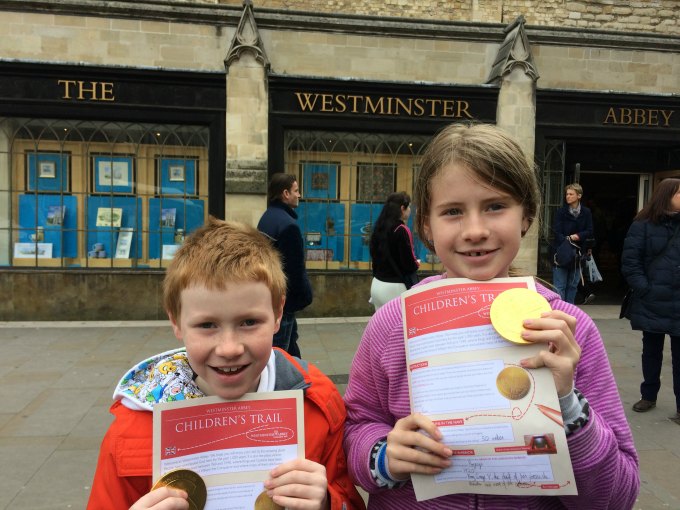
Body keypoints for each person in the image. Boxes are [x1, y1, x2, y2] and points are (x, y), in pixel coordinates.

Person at [342, 123, 639, 509]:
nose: (475, 230)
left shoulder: (569, 330)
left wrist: (567, 402)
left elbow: (615, 498)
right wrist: (383, 456)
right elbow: (356, 426)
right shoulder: (392, 324)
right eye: (452, 212)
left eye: (495, 206)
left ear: (527, 216)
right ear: (427, 226)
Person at [87, 219, 365, 510]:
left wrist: (326, 503)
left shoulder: (318, 402)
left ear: (278, 313)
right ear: (176, 322)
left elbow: (349, 499)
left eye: (249, 322)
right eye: (207, 325)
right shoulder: (133, 427)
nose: (230, 348)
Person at [621, 177, 680, 421]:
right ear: (667, 196)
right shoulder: (643, 223)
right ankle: (649, 396)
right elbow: (630, 261)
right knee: (651, 350)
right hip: (652, 298)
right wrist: (644, 288)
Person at [258, 173, 313, 358]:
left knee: (290, 350)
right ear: (285, 193)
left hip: (270, 296)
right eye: (296, 191)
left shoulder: (267, 217)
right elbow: (294, 271)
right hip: (284, 301)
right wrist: (303, 297)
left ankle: (301, 381)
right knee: (280, 357)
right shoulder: (289, 226)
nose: (299, 195)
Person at [369, 191, 420, 311]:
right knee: (401, 328)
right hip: (394, 288)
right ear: (403, 208)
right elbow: (408, 264)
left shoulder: (379, 228)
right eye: (409, 207)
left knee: (381, 327)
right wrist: (416, 263)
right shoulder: (401, 229)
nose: (410, 211)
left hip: (377, 284)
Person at [551, 182, 594, 304]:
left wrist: (578, 236)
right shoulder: (561, 212)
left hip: (578, 254)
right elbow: (556, 231)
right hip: (561, 253)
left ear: (579, 196)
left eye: (571, 194)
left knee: (572, 286)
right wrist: (567, 241)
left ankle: (570, 312)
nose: (567, 196)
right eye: (567, 194)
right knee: (559, 286)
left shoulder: (586, 212)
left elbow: (590, 231)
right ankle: (559, 311)